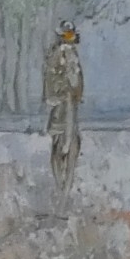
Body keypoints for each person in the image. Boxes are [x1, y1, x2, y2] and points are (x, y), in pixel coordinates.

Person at [42, 21, 85, 193]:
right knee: (60, 141)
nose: (70, 37)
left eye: (71, 34)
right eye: (67, 34)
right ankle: (61, 183)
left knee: (72, 140)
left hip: (71, 102)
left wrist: (77, 94)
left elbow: (77, 78)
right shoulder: (58, 53)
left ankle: (66, 185)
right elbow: (50, 78)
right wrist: (58, 94)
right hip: (61, 102)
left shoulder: (72, 53)